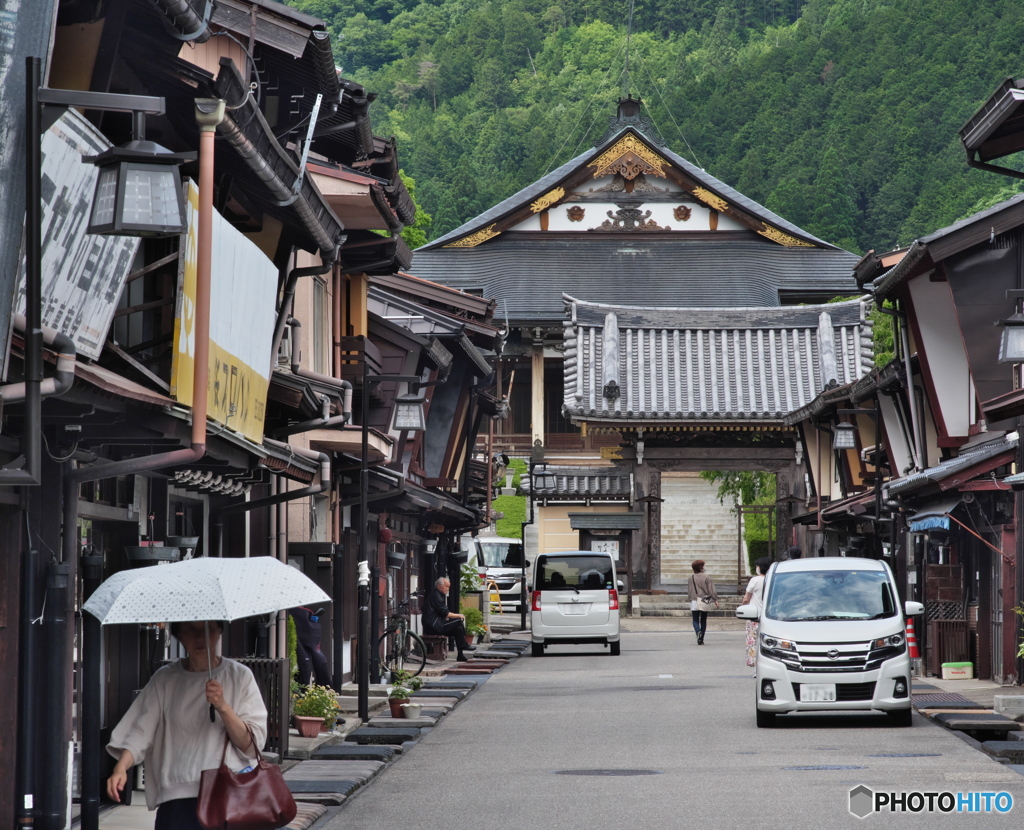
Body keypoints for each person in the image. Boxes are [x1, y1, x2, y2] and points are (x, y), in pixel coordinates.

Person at [106, 620, 268, 830]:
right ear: (179, 636)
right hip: (177, 795)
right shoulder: (165, 678)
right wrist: (121, 768)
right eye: (190, 630)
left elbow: (251, 745)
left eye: (207, 630)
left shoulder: (239, 676)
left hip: (228, 794)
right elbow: (140, 730)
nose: (199, 637)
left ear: (219, 632)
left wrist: (223, 707)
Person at [422, 576, 476, 661]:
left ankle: (460, 655)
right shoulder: (436, 596)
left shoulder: (437, 595)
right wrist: (459, 615)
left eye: (448, 587)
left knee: (458, 629)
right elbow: (446, 613)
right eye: (446, 586)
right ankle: (464, 644)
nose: (447, 589)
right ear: (439, 586)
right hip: (434, 625)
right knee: (458, 620)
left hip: (436, 623)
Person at [743, 557, 773, 672]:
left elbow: (746, 598)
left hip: (754, 616)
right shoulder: (773, 580)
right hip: (770, 616)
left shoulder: (755, 581)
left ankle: (756, 668)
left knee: (753, 642)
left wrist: (743, 605)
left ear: (760, 568)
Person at [687, 560, 718, 645]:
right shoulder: (707, 577)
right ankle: (701, 638)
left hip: (694, 600)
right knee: (703, 620)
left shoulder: (691, 577)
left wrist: (690, 599)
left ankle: (698, 631)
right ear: (701, 567)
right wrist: (715, 599)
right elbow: (711, 590)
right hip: (704, 600)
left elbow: (690, 590)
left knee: (695, 619)